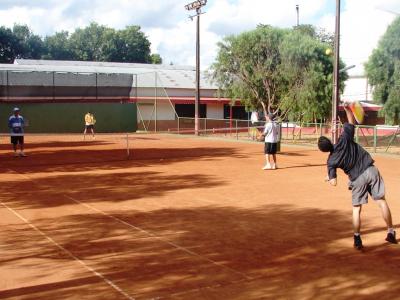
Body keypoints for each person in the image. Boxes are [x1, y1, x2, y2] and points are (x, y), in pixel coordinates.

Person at [318, 104, 397, 250]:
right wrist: (348, 109)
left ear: (323, 151)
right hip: (371, 169)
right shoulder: (344, 139)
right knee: (381, 201)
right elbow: (350, 122)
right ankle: (391, 231)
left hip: (357, 178)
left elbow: (334, 183)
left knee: (356, 209)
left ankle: (357, 238)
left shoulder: (331, 161)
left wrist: (329, 178)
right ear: (330, 140)